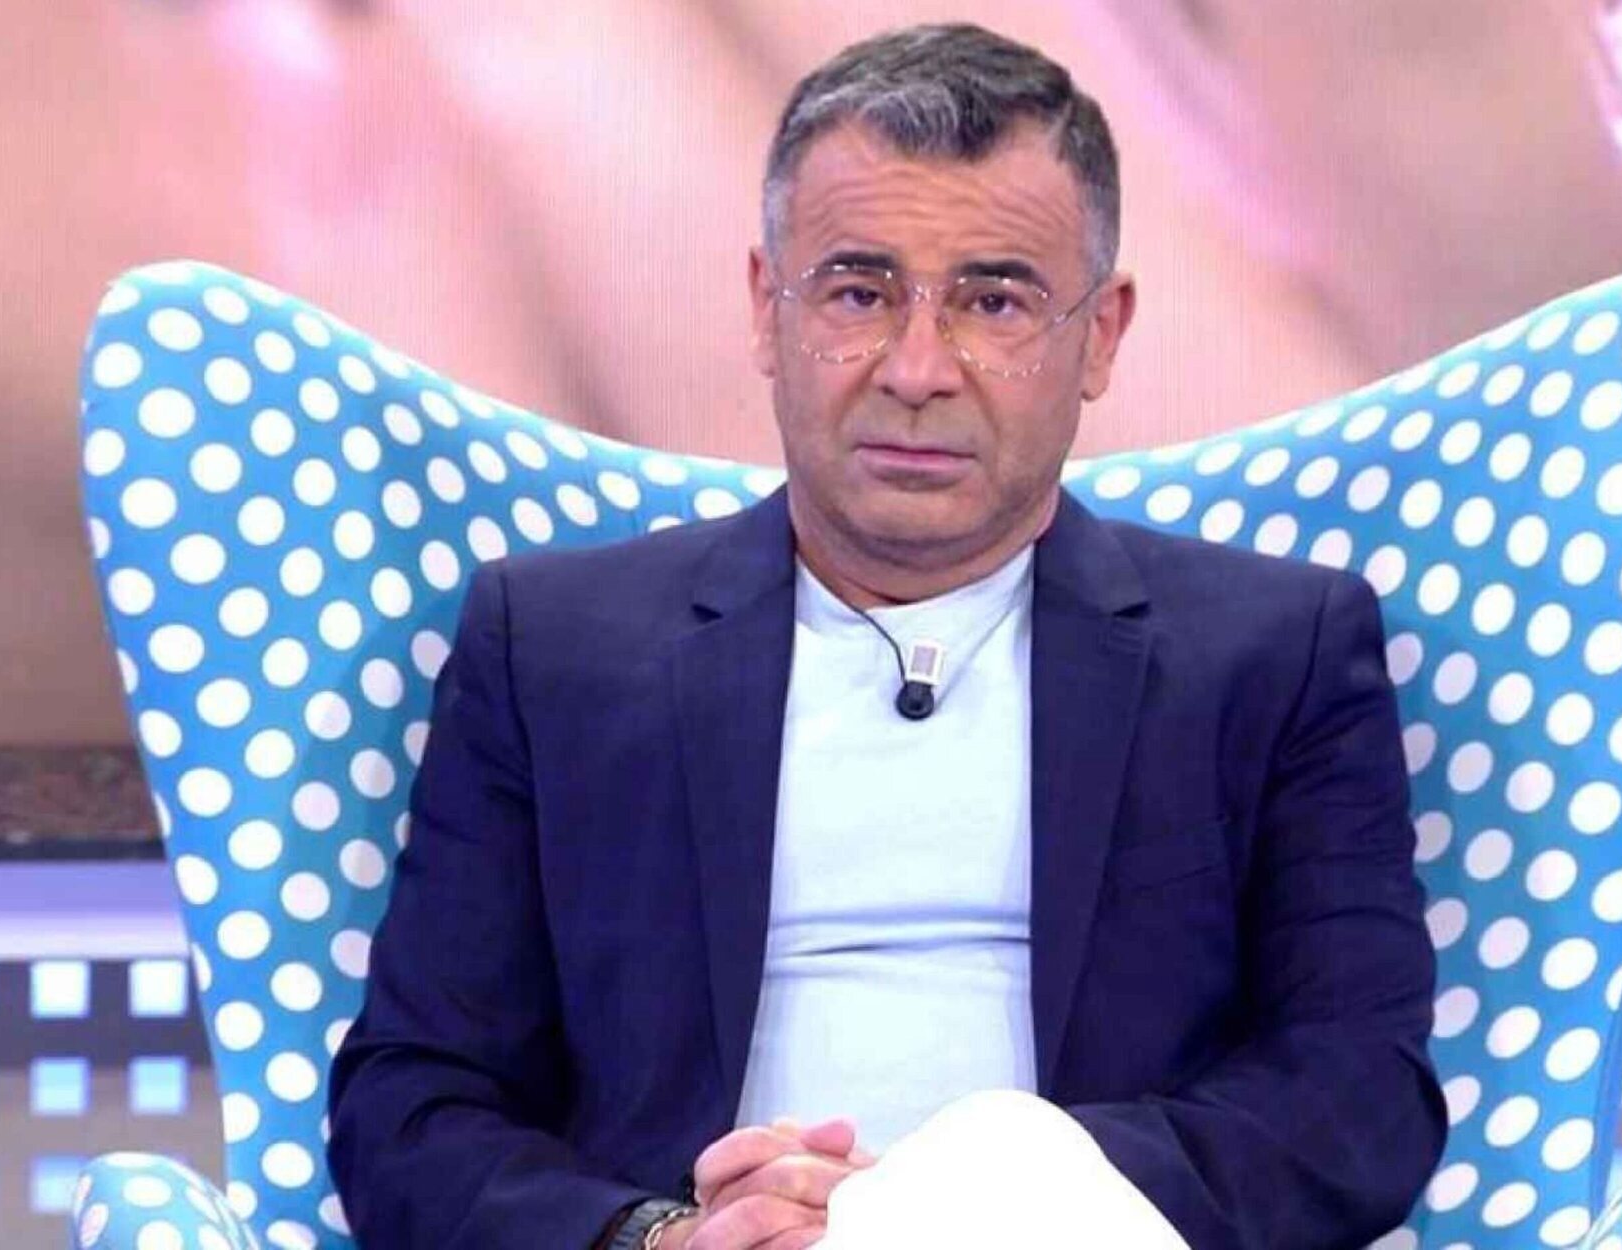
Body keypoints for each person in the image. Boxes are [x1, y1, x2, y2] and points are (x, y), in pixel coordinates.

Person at [326, 23, 1444, 1249]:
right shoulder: (550, 651)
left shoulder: (1275, 655)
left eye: (994, 301)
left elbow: (1358, 1098)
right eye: (858, 294)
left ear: (1100, 335)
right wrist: (658, 1236)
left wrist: (967, 1205)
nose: (917, 369)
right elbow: (410, 1109)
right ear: (766, 311)